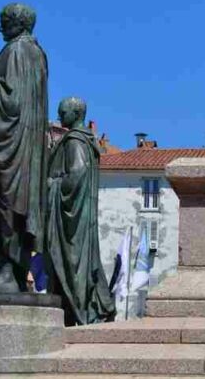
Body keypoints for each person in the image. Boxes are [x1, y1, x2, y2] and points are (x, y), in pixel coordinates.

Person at [0, 3, 49, 292]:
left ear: (19, 23)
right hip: (25, 146)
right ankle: (13, 275)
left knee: (3, 205)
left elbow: (12, 103)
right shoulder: (37, 53)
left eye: (4, 21)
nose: (0, 27)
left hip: (12, 147)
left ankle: (8, 273)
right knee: (11, 207)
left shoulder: (17, 51)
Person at [44, 97, 116, 325]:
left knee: (70, 263)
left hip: (71, 219)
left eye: (62, 112)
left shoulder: (74, 141)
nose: (59, 116)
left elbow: (77, 174)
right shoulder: (87, 141)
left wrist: (52, 184)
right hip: (81, 215)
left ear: (76, 114)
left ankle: (79, 309)